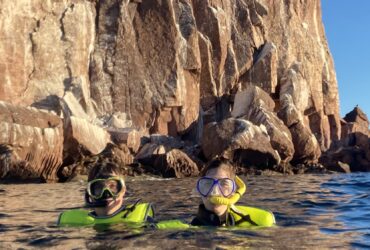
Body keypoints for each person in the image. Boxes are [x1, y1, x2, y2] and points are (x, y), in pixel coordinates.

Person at [156, 157, 275, 229]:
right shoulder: (187, 231)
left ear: (234, 190)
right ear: (199, 190)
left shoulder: (256, 223)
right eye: (207, 184)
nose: (214, 192)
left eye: (224, 184)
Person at [58, 160, 154, 227]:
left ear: (123, 190)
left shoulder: (142, 220)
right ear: (89, 193)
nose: (106, 194)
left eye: (112, 187)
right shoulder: (71, 222)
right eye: (99, 188)